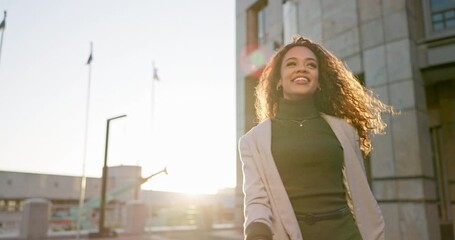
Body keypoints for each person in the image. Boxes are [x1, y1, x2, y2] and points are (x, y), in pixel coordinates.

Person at [238, 35, 394, 240]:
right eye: (291, 64)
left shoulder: (345, 130)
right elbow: (256, 199)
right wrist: (257, 233)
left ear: (319, 81)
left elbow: (359, 191)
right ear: (278, 81)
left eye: (310, 65)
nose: (302, 69)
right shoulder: (253, 141)